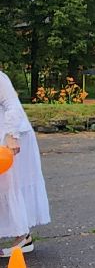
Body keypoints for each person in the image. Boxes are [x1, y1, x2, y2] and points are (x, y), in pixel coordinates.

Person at [0, 70, 50, 258]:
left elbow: (12, 104)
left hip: (12, 136)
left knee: (10, 184)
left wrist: (11, 135)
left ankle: (23, 238)